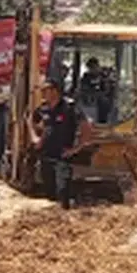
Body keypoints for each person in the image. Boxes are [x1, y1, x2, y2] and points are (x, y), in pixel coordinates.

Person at [29, 77, 92, 209]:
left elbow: (86, 126)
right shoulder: (43, 108)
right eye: (42, 91)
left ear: (55, 91)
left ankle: (65, 214)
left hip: (62, 156)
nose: (43, 94)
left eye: (46, 90)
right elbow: (31, 121)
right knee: (48, 191)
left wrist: (77, 148)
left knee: (63, 189)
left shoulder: (69, 107)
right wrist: (36, 138)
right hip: (46, 156)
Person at [78, 56, 114, 124]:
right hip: (88, 99)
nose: (92, 70)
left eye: (93, 67)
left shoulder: (104, 76)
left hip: (102, 99)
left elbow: (107, 90)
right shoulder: (86, 76)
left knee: (104, 101)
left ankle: (102, 121)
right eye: (90, 68)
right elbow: (83, 88)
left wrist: (99, 94)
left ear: (97, 66)